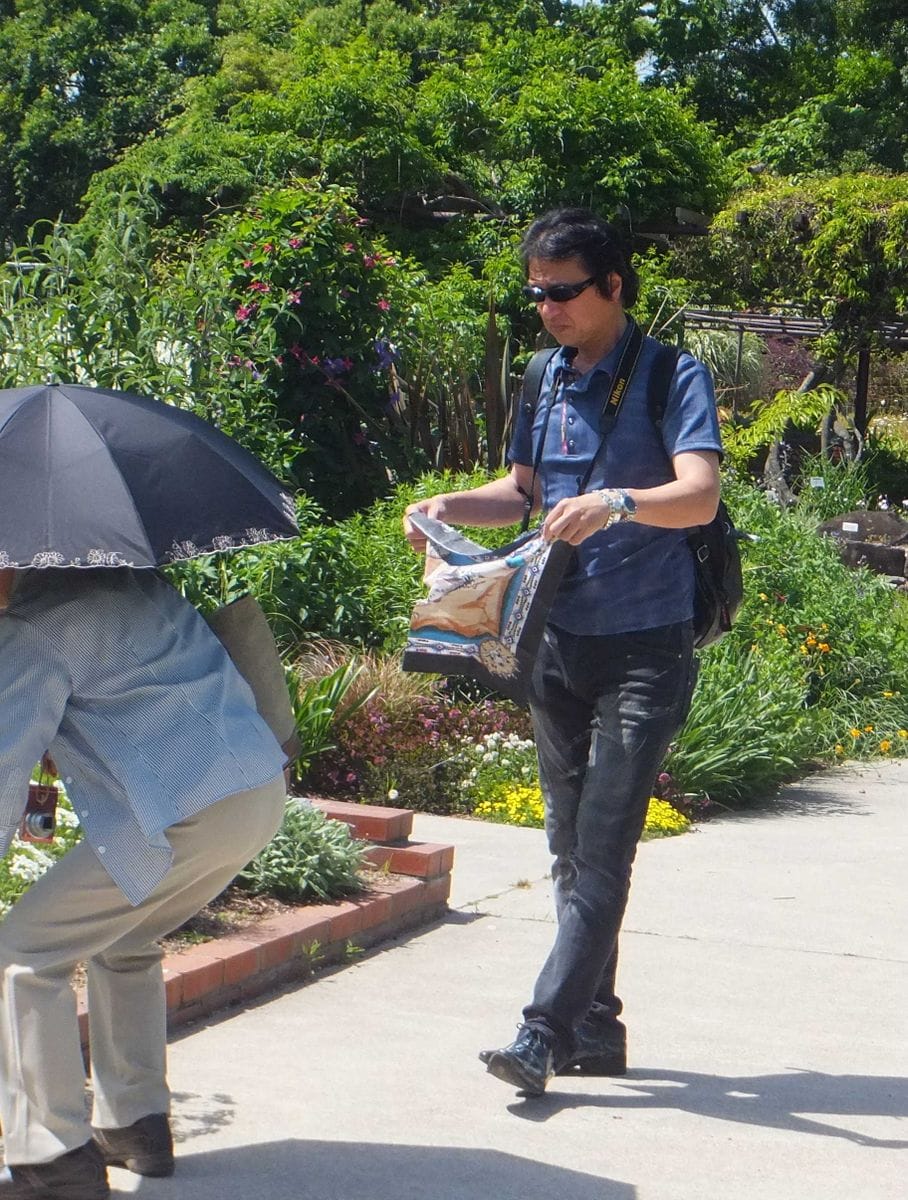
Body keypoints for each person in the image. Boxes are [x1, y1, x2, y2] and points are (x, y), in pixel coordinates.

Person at [403, 207, 723, 1096]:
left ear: (614, 286)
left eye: (565, 292)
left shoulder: (670, 375)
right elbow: (523, 492)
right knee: (566, 845)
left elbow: (696, 496)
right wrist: (444, 508)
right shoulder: (542, 377)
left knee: (605, 839)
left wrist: (616, 502)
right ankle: (598, 1023)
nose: (547, 308)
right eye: (538, 293)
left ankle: (542, 1031)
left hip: (645, 644)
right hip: (553, 636)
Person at [0, 566, 288, 1199]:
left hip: (189, 806)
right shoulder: (135, 582)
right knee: (123, 940)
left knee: (22, 952)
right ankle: (136, 1126)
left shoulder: (29, 628)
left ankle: (52, 1157)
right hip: (256, 789)